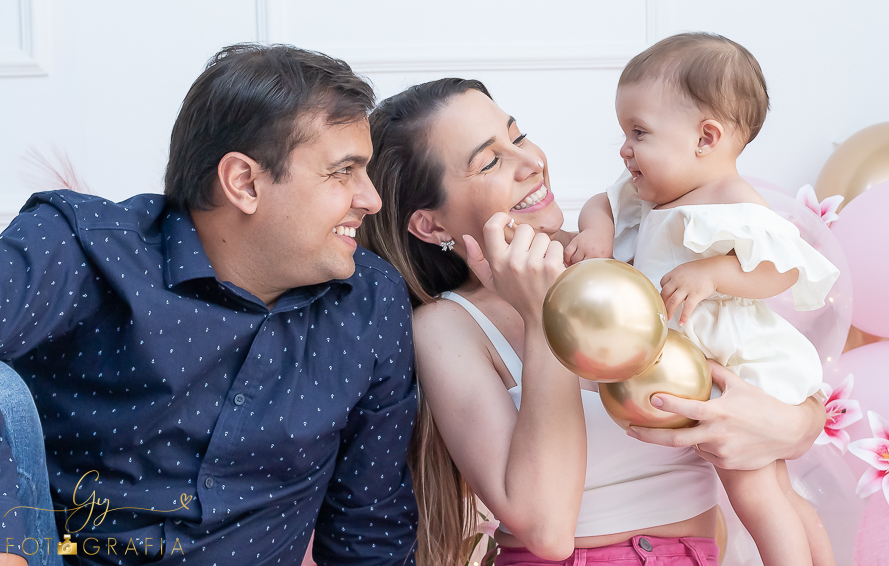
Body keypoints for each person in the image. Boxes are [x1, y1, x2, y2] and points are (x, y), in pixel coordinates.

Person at [358, 77, 828, 566]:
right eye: (491, 160)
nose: (531, 162)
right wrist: (543, 318)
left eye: (518, 137)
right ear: (430, 224)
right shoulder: (449, 327)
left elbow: (770, 371)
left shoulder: (635, 251)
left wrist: (794, 423)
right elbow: (546, 531)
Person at [0, 44, 417, 565]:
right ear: (243, 182)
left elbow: (369, 527)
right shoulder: (77, 246)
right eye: (342, 172)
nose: (371, 199)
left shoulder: (371, 302)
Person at [569, 32, 838, 566]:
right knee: (778, 491)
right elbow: (598, 202)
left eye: (639, 132)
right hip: (696, 363)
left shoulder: (733, 201)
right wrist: (597, 231)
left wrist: (713, 273)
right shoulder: (644, 192)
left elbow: (780, 270)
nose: (625, 148)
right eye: (625, 131)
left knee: (756, 494)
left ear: (705, 138)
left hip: (740, 367)